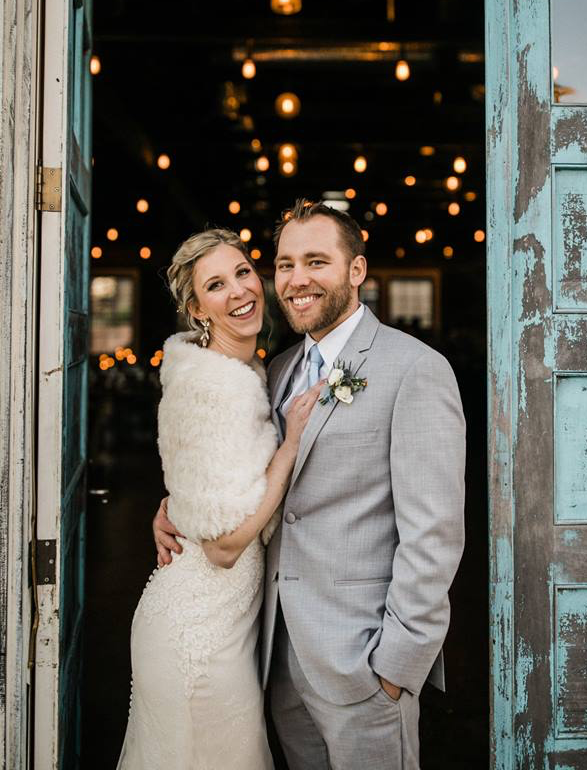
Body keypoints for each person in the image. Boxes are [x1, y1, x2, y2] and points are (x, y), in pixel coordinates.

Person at [155, 199, 466, 770]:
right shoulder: (274, 370)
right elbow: (239, 470)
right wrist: (175, 503)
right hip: (278, 660)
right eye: (285, 263)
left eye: (316, 261)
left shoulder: (416, 369)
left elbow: (435, 535)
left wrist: (395, 667)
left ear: (356, 271)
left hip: (364, 666)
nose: (297, 279)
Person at [118, 228, 323, 770]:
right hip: (196, 638)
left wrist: (171, 505)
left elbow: (202, 471)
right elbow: (225, 546)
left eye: (242, 272)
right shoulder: (210, 385)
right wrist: (291, 447)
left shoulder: (247, 370)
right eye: (215, 285)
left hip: (226, 625)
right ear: (196, 309)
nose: (238, 290)